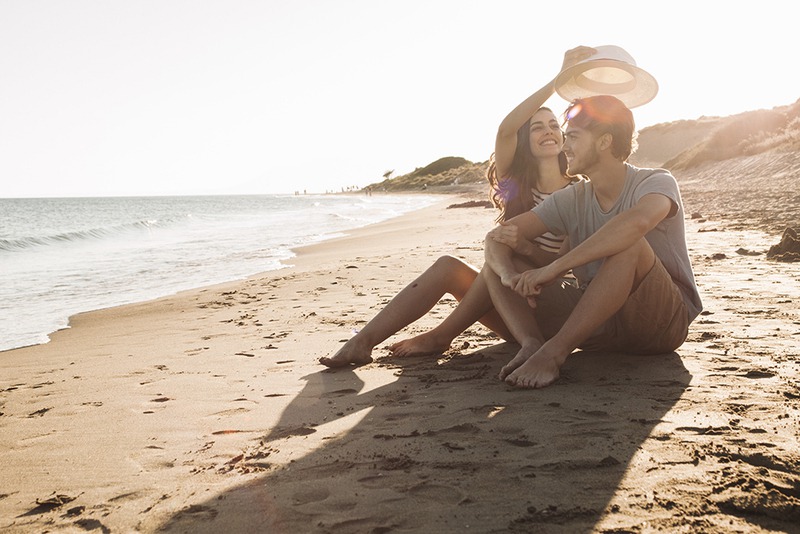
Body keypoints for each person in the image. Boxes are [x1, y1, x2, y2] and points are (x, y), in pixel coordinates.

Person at [319, 47, 596, 369]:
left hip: (549, 310)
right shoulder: (515, 184)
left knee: (506, 257)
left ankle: (441, 335)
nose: (549, 131)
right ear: (524, 141)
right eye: (537, 127)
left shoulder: (579, 192)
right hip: (513, 311)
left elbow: (564, 265)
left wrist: (522, 250)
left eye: (553, 125)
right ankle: (361, 342)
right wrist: (559, 79)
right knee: (449, 266)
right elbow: (506, 130)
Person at [483, 94, 703, 389]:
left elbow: (636, 224)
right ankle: (532, 343)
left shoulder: (656, 182)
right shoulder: (573, 197)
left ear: (604, 141)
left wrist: (556, 268)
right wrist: (510, 275)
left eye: (572, 137)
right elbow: (497, 238)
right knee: (499, 266)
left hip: (660, 323)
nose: (565, 145)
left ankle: (554, 353)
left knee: (631, 246)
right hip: (598, 323)